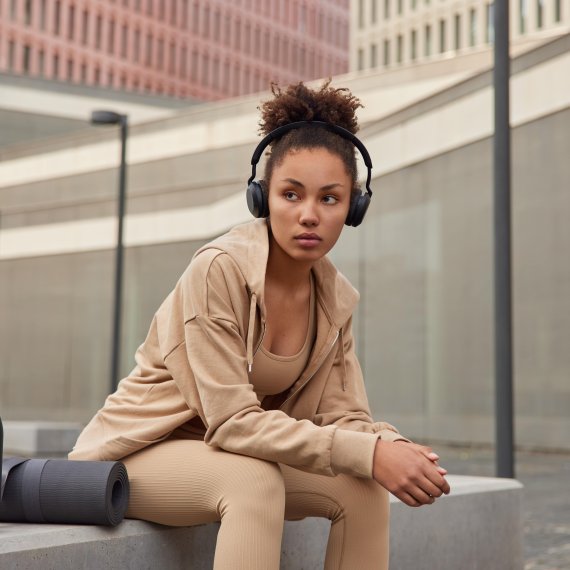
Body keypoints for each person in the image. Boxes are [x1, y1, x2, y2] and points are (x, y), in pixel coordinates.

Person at [69, 80, 450, 570]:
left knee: (361, 488)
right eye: (291, 194)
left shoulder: (333, 298)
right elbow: (233, 422)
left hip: (234, 453)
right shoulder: (218, 270)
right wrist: (367, 450)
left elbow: (345, 419)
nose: (309, 215)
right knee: (254, 481)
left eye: (330, 199)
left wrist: (386, 445)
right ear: (262, 196)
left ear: (354, 208)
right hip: (140, 455)